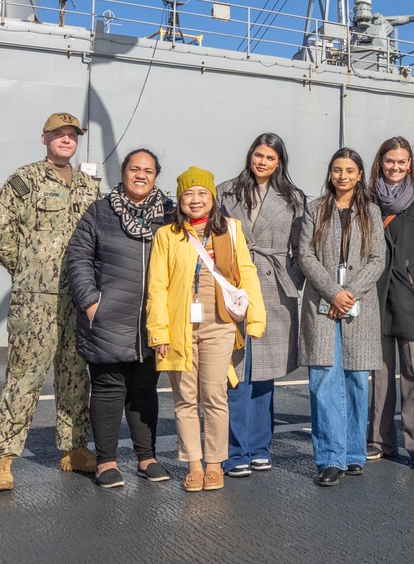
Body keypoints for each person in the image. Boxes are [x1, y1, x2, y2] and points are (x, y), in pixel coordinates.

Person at [0, 112, 100, 492]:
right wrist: (29, 271)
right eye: (59, 134)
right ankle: (3, 458)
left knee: (74, 377)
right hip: (35, 300)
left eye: (72, 135)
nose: (66, 140)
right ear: (44, 138)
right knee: (24, 379)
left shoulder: (89, 187)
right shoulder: (24, 180)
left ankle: (75, 449)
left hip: (78, 299)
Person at [146, 167, 266, 492]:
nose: (196, 200)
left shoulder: (231, 230)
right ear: (179, 199)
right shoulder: (166, 235)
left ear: (212, 197)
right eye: (189, 194)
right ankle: (194, 465)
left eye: (202, 193)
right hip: (178, 324)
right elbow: (156, 286)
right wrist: (158, 332)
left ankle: (215, 463)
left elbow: (247, 273)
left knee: (214, 395)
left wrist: (255, 317)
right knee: (185, 398)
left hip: (220, 322)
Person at [66, 148, 174, 488]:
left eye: (148, 170)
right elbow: (78, 259)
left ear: (157, 176)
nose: (141, 175)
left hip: (152, 320)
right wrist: (91, 303)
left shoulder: (170, 214)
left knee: (144, 391)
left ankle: (147, 458)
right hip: (108, 317)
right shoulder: (100, 211)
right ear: (123, 172)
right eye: (134, 169)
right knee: (109, 389)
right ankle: (106, 462)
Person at [218, 134, 306, 477]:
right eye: (258, 155)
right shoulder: (225, 191)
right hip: (234, 286)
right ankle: (235, 450)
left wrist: (292, 279)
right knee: (235, 371)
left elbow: (302, 247)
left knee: (265, 374)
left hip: (273, 288)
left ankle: (259, 447)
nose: (263, 162)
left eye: (270, 157)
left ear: (279, 161)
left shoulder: (294, 198)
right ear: (250, 155)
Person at [299, 148, 385, 487]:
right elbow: (305, 254)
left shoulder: (372, 212)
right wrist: (332, 292)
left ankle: (353, 454)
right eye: (337, 169)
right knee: (323, 379)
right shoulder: (315, 209)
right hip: (322, 302)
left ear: (360, 174)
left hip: (359, 306)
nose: (343, 175)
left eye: (350, 170)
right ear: (330, 173)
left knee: (356, 379)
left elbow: (377, 259)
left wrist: (348, 294)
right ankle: (328, 459)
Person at [366, 136, 414, 469]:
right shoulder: (368, 201)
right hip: (375, 296)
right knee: (380, 375)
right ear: (380, 162)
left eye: (402, 162)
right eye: (389, 161)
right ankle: (380, 441)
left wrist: (413, 276)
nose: (395, 167)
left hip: (409, 296)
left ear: (409, 164)